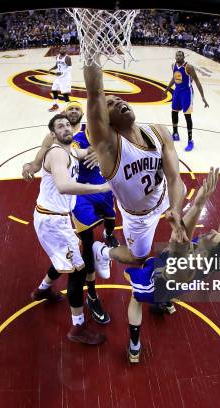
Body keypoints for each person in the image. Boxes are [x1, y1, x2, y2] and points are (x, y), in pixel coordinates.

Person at [125, 141, 220, 363]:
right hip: (179, 281)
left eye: (212, 235)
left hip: (163, 281)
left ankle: (134, 346)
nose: (213, 230)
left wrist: (197, 206)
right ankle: (166, 303)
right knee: (169, 276)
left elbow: (180, 238)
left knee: (135, 295)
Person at [81, 33, 188, 274]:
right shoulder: (109, 147)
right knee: (138, 258)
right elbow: (95, 92)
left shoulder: (159, 132)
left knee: (188, 207)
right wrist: (91, 39)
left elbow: (174, 179)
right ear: (106, 123)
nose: (117, 100)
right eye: (110, 104)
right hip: (138, 217)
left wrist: (176, 212)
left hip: (162, 197)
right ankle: (102, 251)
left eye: (118, 98)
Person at [23, 101, 117, 325]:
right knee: (79, 265)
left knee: (67, 254)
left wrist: (102, 149)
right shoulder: (55, 148)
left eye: (69, 122)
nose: (66, 125)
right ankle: (80, 321)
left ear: (81, 114)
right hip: (63, 209)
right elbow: (44, 169)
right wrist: (29, 166)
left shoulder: (80, 141)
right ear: (54, 132)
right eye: (62, 123)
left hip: (66, 207)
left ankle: (43, 289)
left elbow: (100, 146)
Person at [162, 50, 209, 151]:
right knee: (174, 112)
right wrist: (166, 89)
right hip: (177, 92)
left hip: (186, 93)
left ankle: (190, 141)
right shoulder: (173, 65)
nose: (178, 56)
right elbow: (174, 78)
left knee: (187, 116)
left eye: (180, 55)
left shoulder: (188, 67)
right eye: (177, 55)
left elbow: (197, 81)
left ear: (183, 57)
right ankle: (175, 133)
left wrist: (203, 97)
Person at [47, 46, 72, 112]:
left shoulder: (67, 58)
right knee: (54, 90)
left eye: (64, 49)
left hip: (65, 78)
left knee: (64, 93)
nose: (62, 50)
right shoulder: (57, 56)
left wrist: (62, 73)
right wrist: (52, 68)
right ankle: (55, 105)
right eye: (61, 49)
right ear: (59, 50)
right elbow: (57, 65)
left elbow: (69, 68)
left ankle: (68, 107)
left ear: (66, 50)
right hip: (58, 77)